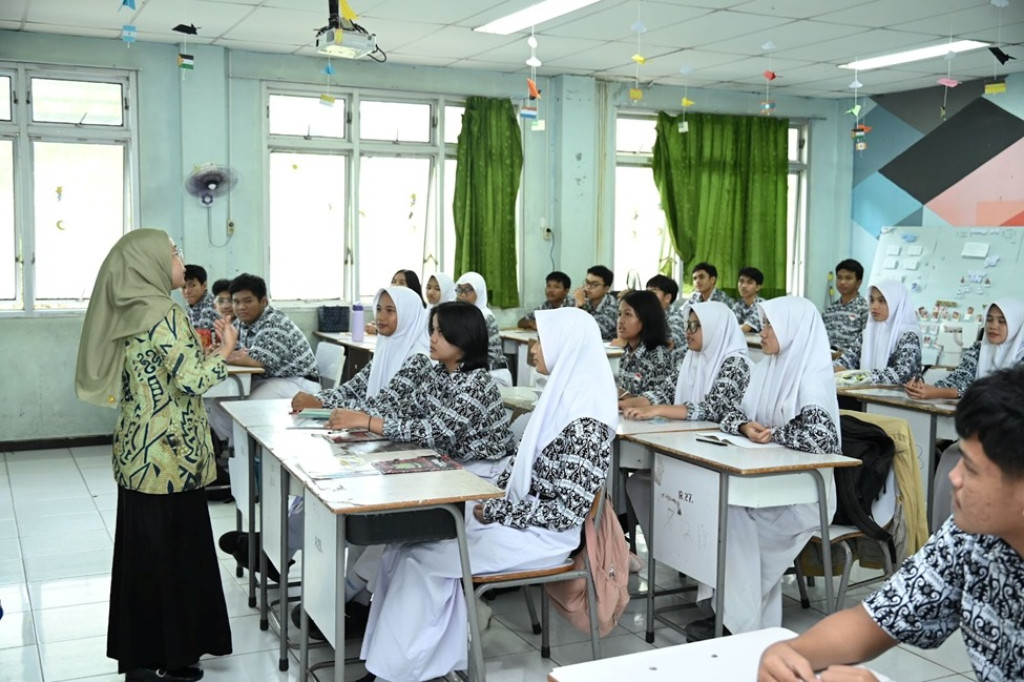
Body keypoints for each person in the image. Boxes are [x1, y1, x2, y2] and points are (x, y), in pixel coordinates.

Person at [357, 307, 618, 682]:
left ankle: (394, 673)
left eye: (541, 340)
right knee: (404, 547)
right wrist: (484, 497)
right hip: (516, 516)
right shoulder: (559, 403)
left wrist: (494, 511)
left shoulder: (586, 425)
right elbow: (517, 471)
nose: (531, 348)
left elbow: (564, 515)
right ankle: (403, 665)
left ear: (567, 346)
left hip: (544, 538)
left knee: (422, 561)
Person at [757, 366, 1024, 682]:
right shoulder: (971, 537)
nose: (954, 477)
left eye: (973, 470)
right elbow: (872, 621)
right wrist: (790, 652)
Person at [75, 229, 235, 682]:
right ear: (149, 263)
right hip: (171, 458)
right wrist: (223, 352)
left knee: (142, 559)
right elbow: (191, 381)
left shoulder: (131, 309)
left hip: (138, 455)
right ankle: (178, 654)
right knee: (177, 556)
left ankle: (142, 656)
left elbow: (158, 373)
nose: (180, 258)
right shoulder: (166, 312)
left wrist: (198, 354)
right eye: (172, 252)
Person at [700, 296, 841, 640]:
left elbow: (824, 439)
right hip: (765, 483)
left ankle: (738, 623)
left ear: (792, 330)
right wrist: (745, 426)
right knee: (723, 510)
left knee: (734, 520)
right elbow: (728, 413)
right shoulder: (765, 368)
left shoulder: (811, 378)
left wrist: (778, 433)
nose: (761, 333)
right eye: (762, 324)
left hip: (802, 496)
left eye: (769, 325)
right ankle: (736, 618)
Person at [621, 301, 752, 543]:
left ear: (716, 328)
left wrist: (656, 410)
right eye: (688, 325)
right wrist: (628, 403)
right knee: (638, 485)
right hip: (689, 446)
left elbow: (714, 410)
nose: (688, 332)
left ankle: (688, 549)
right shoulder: (690, 358)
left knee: (659, 484)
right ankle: (668, 550)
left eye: (697, 326)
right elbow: (663, 392)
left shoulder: (736, 363)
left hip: (721, 455)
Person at [207, 273, 320, 443]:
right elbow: (233, 351)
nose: (241, 307)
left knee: (247, 410)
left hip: (297, 384)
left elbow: (255, 360)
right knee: (217, 406)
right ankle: (239, 449)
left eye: (248, 301)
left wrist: (226, 353)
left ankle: (247, 451)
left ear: (263, 301)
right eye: (236, 302)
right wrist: (223, 350)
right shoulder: (242, 323)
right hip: (270, 380)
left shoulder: (274, 322)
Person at [291, 287, 434, 414]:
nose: (380, 317)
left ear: (407, 315)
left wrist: (321, 404)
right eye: (378, 309)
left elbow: (383, 406)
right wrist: (316, 398)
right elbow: (353, 389)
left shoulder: (419, 359)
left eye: (390, 311)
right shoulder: (385, 348)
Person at [904, 298, 1024, 400]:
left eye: (1002, 321)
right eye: (989, 319)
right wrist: (923, 388)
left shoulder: (1021, 356)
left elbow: (1006, 395)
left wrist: (939, 392)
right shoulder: (977, 349)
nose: (993, 326)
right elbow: (959, 378)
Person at [834, 280, 922, 385]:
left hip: (899, 399)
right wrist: (829, 369)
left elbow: (902, 374)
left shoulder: (909, 335)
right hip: (864, 396)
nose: (874, 306)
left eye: (882, 301)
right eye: (871, 300)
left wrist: (861, 377)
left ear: (896, 303)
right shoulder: (868, 333)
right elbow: (847, 360)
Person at [614, 290, 675, 400]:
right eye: (619, 314)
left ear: (646, 319)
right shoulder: (628, 352)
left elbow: (658, 404)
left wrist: (621, 394)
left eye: (628, 314)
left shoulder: (658, 357)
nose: (620, 321)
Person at [455, 271, 511, 384]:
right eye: (459, 289)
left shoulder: (486, 317)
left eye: (468, 290)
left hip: (493, 375)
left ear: (479, 292)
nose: (462, 295)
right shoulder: (463, 316)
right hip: (474, 374)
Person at [823, 258, 869, 360]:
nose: (842, 282)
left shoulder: (864, 309)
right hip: (826, 358)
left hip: (851, 362)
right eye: (839, 278)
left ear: (859, 282)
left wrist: (842, 355)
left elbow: (867, 344)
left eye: (848, 278)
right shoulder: (830, 309)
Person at [367, 269, 425, 334]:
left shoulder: (419, 312)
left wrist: (377, 331)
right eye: (394, 282)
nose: (396, 285)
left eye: (402, 283)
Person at [573, 264, 618, 340]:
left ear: (606, 288)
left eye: (594, 284)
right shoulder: (584, 300)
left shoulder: (613, 307)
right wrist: (578, 305)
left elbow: (593, 332)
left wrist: (582, 305)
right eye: (587, 282)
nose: (588, 287)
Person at [646, 274, 688, 355]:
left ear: (667, 298)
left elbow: (669, 343)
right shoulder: (650, 315)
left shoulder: (676, 316)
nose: (648, 297)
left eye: (653, 293)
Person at [182, 263, 218, 332]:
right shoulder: (191, 306)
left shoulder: (210, 306)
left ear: (204, 285)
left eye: (192, 285)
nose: (187, 291)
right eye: (183, 287)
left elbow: (201, 339)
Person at [733, 266, 766, 333]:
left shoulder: (762, 305)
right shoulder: (737, 305)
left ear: (757, 287)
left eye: (749, 282)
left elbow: (746, 328)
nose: (743, 286)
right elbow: (732, 325)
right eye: (741, 281)